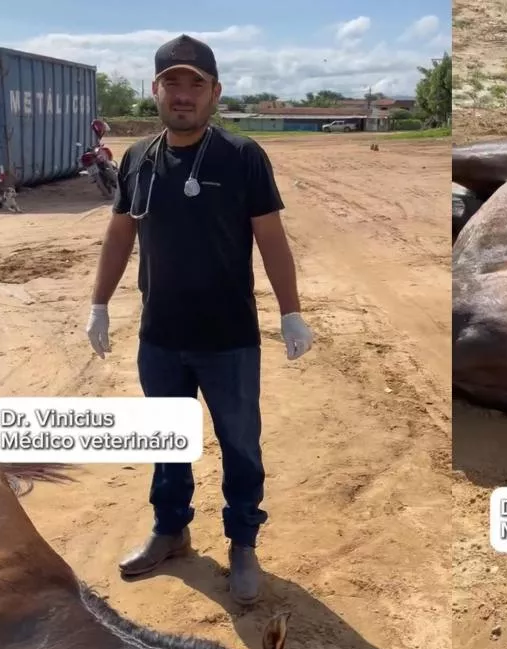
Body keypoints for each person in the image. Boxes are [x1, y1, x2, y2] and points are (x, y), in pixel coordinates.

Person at [84, 33, 314, 605]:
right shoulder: (138, 158)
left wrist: (291, 313)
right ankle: (171, 530)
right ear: (156, 90)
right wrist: (99, 303)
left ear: (215, 93)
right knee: (169, 441)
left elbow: (272, 239)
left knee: (240, 444)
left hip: (228, 340)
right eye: (172, 83)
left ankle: (242, 544)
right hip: (160, 336)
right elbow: (119, 235)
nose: (183, 95)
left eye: (196, 84)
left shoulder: (242, 157)